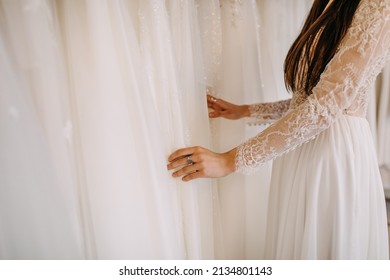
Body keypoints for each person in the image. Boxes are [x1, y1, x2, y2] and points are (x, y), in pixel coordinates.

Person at [167, 0, 390, 259]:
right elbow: (308, 100)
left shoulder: (377, 5)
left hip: (332, 155)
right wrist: (247, 110)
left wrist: (231, 160)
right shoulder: (327, 4)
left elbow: (326, 106)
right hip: (303, 148)